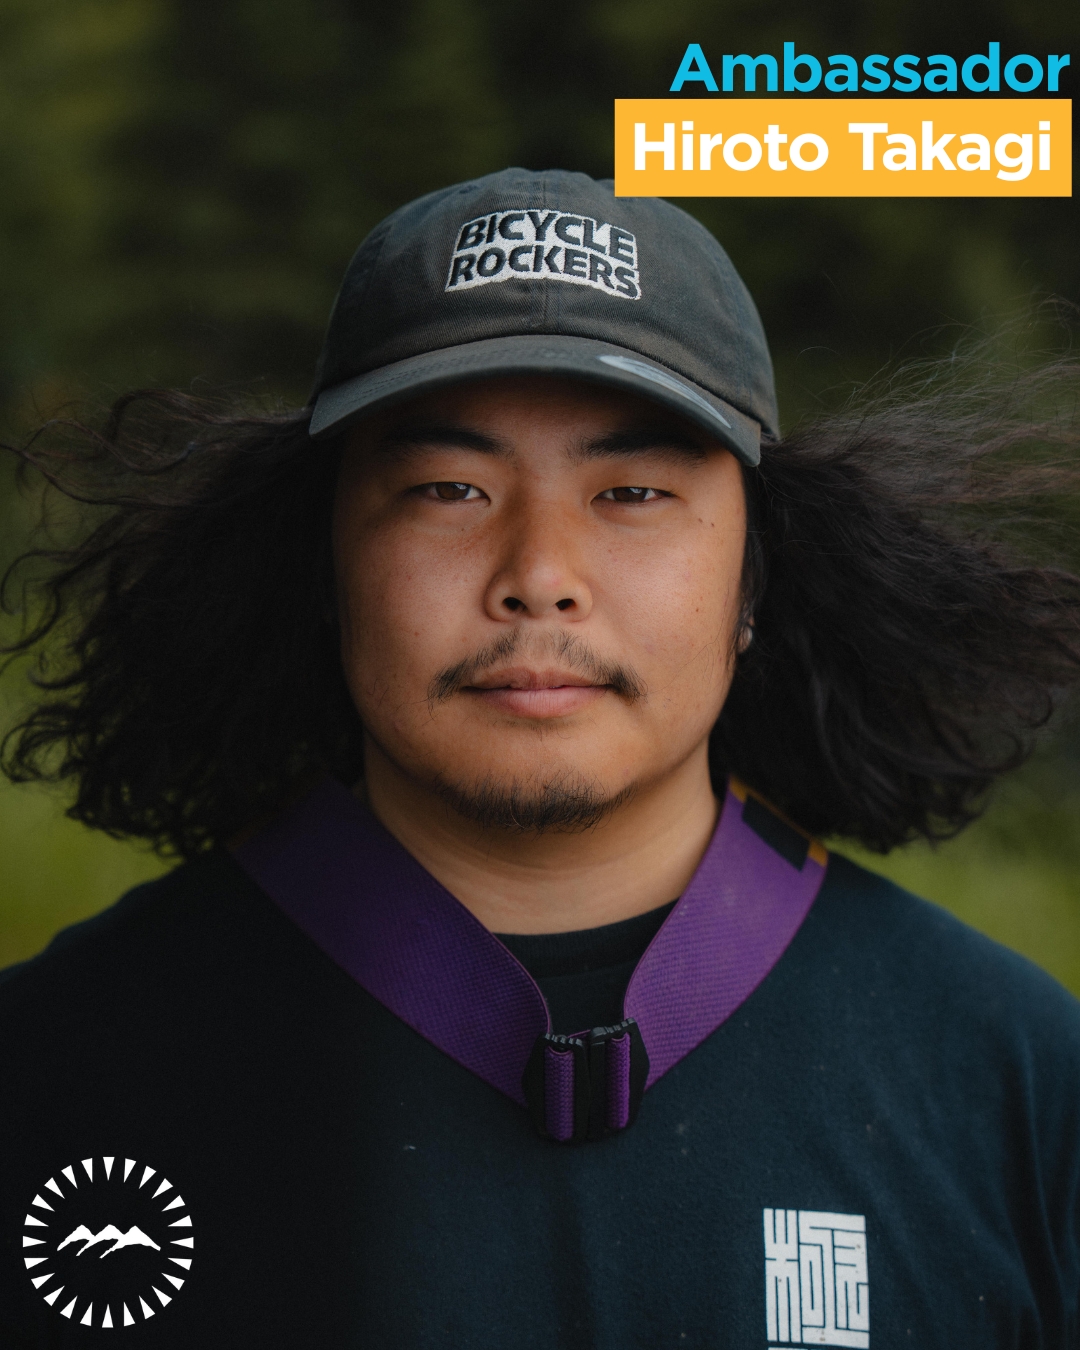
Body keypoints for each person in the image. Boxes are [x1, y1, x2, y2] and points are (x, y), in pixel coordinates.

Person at [1, 167, 1079, 1348]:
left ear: (754, 577)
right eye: (448, 487)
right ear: (323, 564)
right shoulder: (57, 1066)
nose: (539, 571)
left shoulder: (1017, 1082)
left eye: (633, 490)